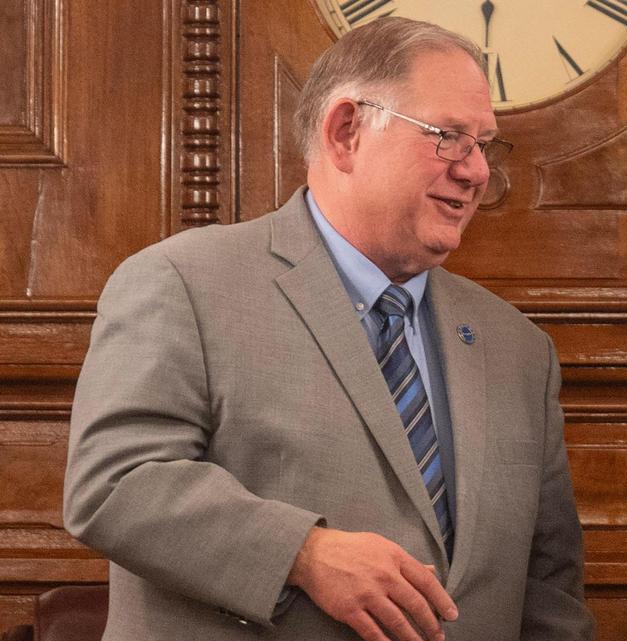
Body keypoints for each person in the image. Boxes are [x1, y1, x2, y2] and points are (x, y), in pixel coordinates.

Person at [62, 17, 593, 641]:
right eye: (449, 138)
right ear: (346, 132)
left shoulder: (519, 348)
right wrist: (303, 554)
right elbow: (115, 483)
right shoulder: (184, 284)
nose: (476, 171)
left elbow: (549, 593)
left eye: (485, 146)